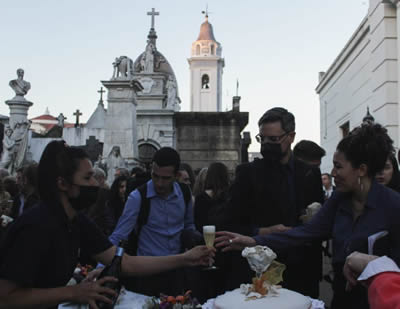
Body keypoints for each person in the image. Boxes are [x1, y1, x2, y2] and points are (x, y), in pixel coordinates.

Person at [0, 141, 213, 309]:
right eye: (88, 177)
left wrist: (186, 258)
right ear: (62, 183)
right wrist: (74, 292)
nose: (95, 184)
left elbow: (124, 262)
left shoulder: (76, 220)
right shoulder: (34, 226)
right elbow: (7, 298)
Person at [216, 123, 400, 309]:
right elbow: (304, 233)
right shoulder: (338, 200)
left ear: (361, 170)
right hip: (342, 299)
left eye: (338, 167)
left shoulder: (393, 206)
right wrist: (254, 241)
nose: (333, 173)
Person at [224, 107, 324, 297]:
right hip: (261, 273)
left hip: (302, 272)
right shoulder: (247, 173)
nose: (267, 144)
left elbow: (320, 224)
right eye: (262, 139)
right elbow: (229, 221)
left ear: (291, 137)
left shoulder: (309, 173)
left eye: (274, 139)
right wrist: (262, 232)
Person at [109, 147, 202, 296]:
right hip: (147, 273)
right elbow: (119, 235)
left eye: (166, 178)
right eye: (155, 176)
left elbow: (189, 224)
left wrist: (194, 238)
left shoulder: (185, 193)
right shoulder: (138, 197)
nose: (159, 183)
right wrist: (101, 266)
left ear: (176, 175)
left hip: (177, 272)